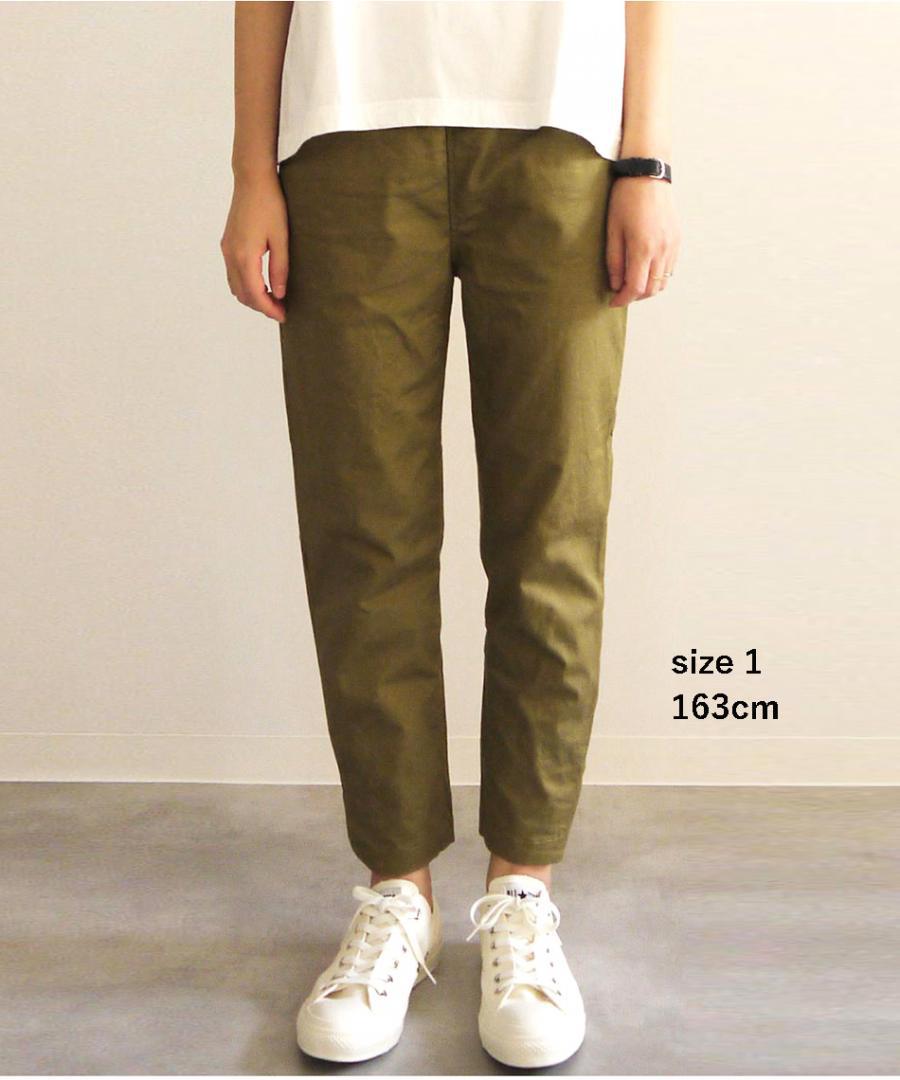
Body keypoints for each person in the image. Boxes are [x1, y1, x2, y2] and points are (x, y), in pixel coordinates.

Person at [221, 0, 679, 1067]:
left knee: (552, 532)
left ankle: (522, 895)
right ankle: (399, 894)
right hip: (346, 132)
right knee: (362, 532)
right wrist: (251, 170)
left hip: (562, 137)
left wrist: (646, 159)